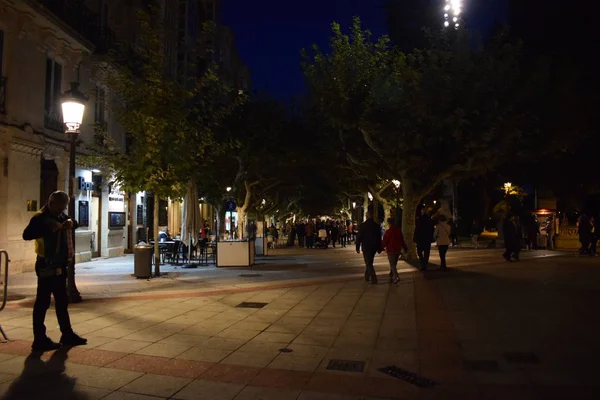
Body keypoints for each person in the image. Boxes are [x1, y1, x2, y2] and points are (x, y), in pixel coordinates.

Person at [22, 191, 87, 351]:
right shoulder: (40, 218)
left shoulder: (59, 215)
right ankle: (39, 339)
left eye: (64, 207)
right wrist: (48, 228)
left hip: (59, 264)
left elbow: (74, 223)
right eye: (61, 206)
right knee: (42, 302)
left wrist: (71, 221)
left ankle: (67, 334)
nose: (63, 210)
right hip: (46, 265)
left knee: (61, 301)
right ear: (52, 203)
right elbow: (27, 235)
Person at [356, 210, 382, 284]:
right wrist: (379, 247)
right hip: (374, 246)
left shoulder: (363, 225)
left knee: (368, 262)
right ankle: (367, 276)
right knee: (370, 261)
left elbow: (359, 237)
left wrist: (357, 246)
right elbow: (379, 237)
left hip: (366, 246)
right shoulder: (376, 226)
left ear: (366, 216)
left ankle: (374, 278)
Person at [381, 218, 408, 283]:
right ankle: (391, 274)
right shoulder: (398, 231)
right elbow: (402, 240)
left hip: (391, 250)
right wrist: (405, 248)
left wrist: (381, 247)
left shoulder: (388, 232)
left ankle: (396, 277)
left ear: (389, 223)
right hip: (397, 249)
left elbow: (385, 241)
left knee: (392, 264)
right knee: (394, 264)